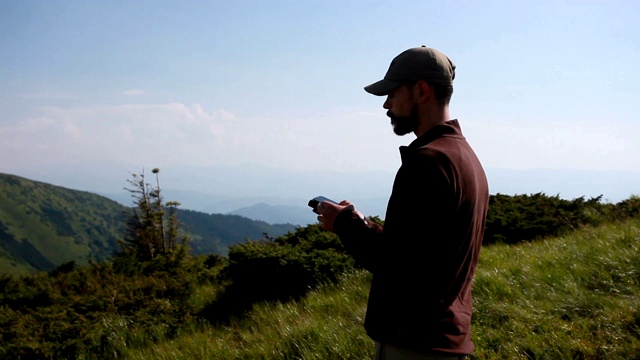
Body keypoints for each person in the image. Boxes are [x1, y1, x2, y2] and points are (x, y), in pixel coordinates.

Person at [315, 46, 489, 360]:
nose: (386, 103)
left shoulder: (427, 162)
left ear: (421, 90)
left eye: (393, 92)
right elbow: (420, 253)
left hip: (413, 343)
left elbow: (396, 265)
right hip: (446, 338)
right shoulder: (465, 158)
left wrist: (344, 225)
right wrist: (365, 225)